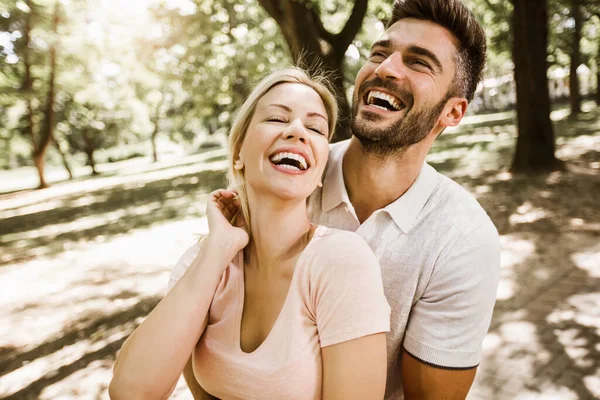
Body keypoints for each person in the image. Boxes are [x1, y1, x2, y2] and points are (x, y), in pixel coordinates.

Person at [109, 68, 391, 400]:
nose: (297, 131)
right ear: (239, 152)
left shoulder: (340, 261)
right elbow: (131, 392)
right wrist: (219, 249)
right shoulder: (203, 264)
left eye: (315, 127)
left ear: (318, 171)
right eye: (276, 118)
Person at [307, 0, 501, 398]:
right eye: (379, 53)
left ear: (453, 112)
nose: (384, 68)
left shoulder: (463, 239)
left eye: (419, 62)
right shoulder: (292, 173)